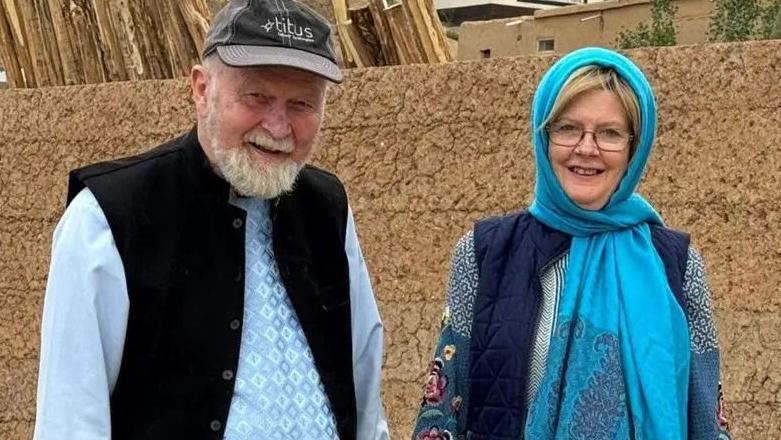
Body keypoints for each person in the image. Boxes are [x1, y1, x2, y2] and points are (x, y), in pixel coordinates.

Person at [33, 1, 389, 439]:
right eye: (257, 97)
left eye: (301, 104)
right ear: (202, 89)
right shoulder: (107, 217)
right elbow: (70, 422)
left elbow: (363, 376)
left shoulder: (327, 207)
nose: (278, 126)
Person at [411, 47, 732, 439]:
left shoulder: (676, 265)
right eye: (567, 128)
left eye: (610, 133)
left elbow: (706, 419)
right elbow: (443, 407)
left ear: (634, 149)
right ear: (543, 138)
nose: (586, 148)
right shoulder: (483, 252)